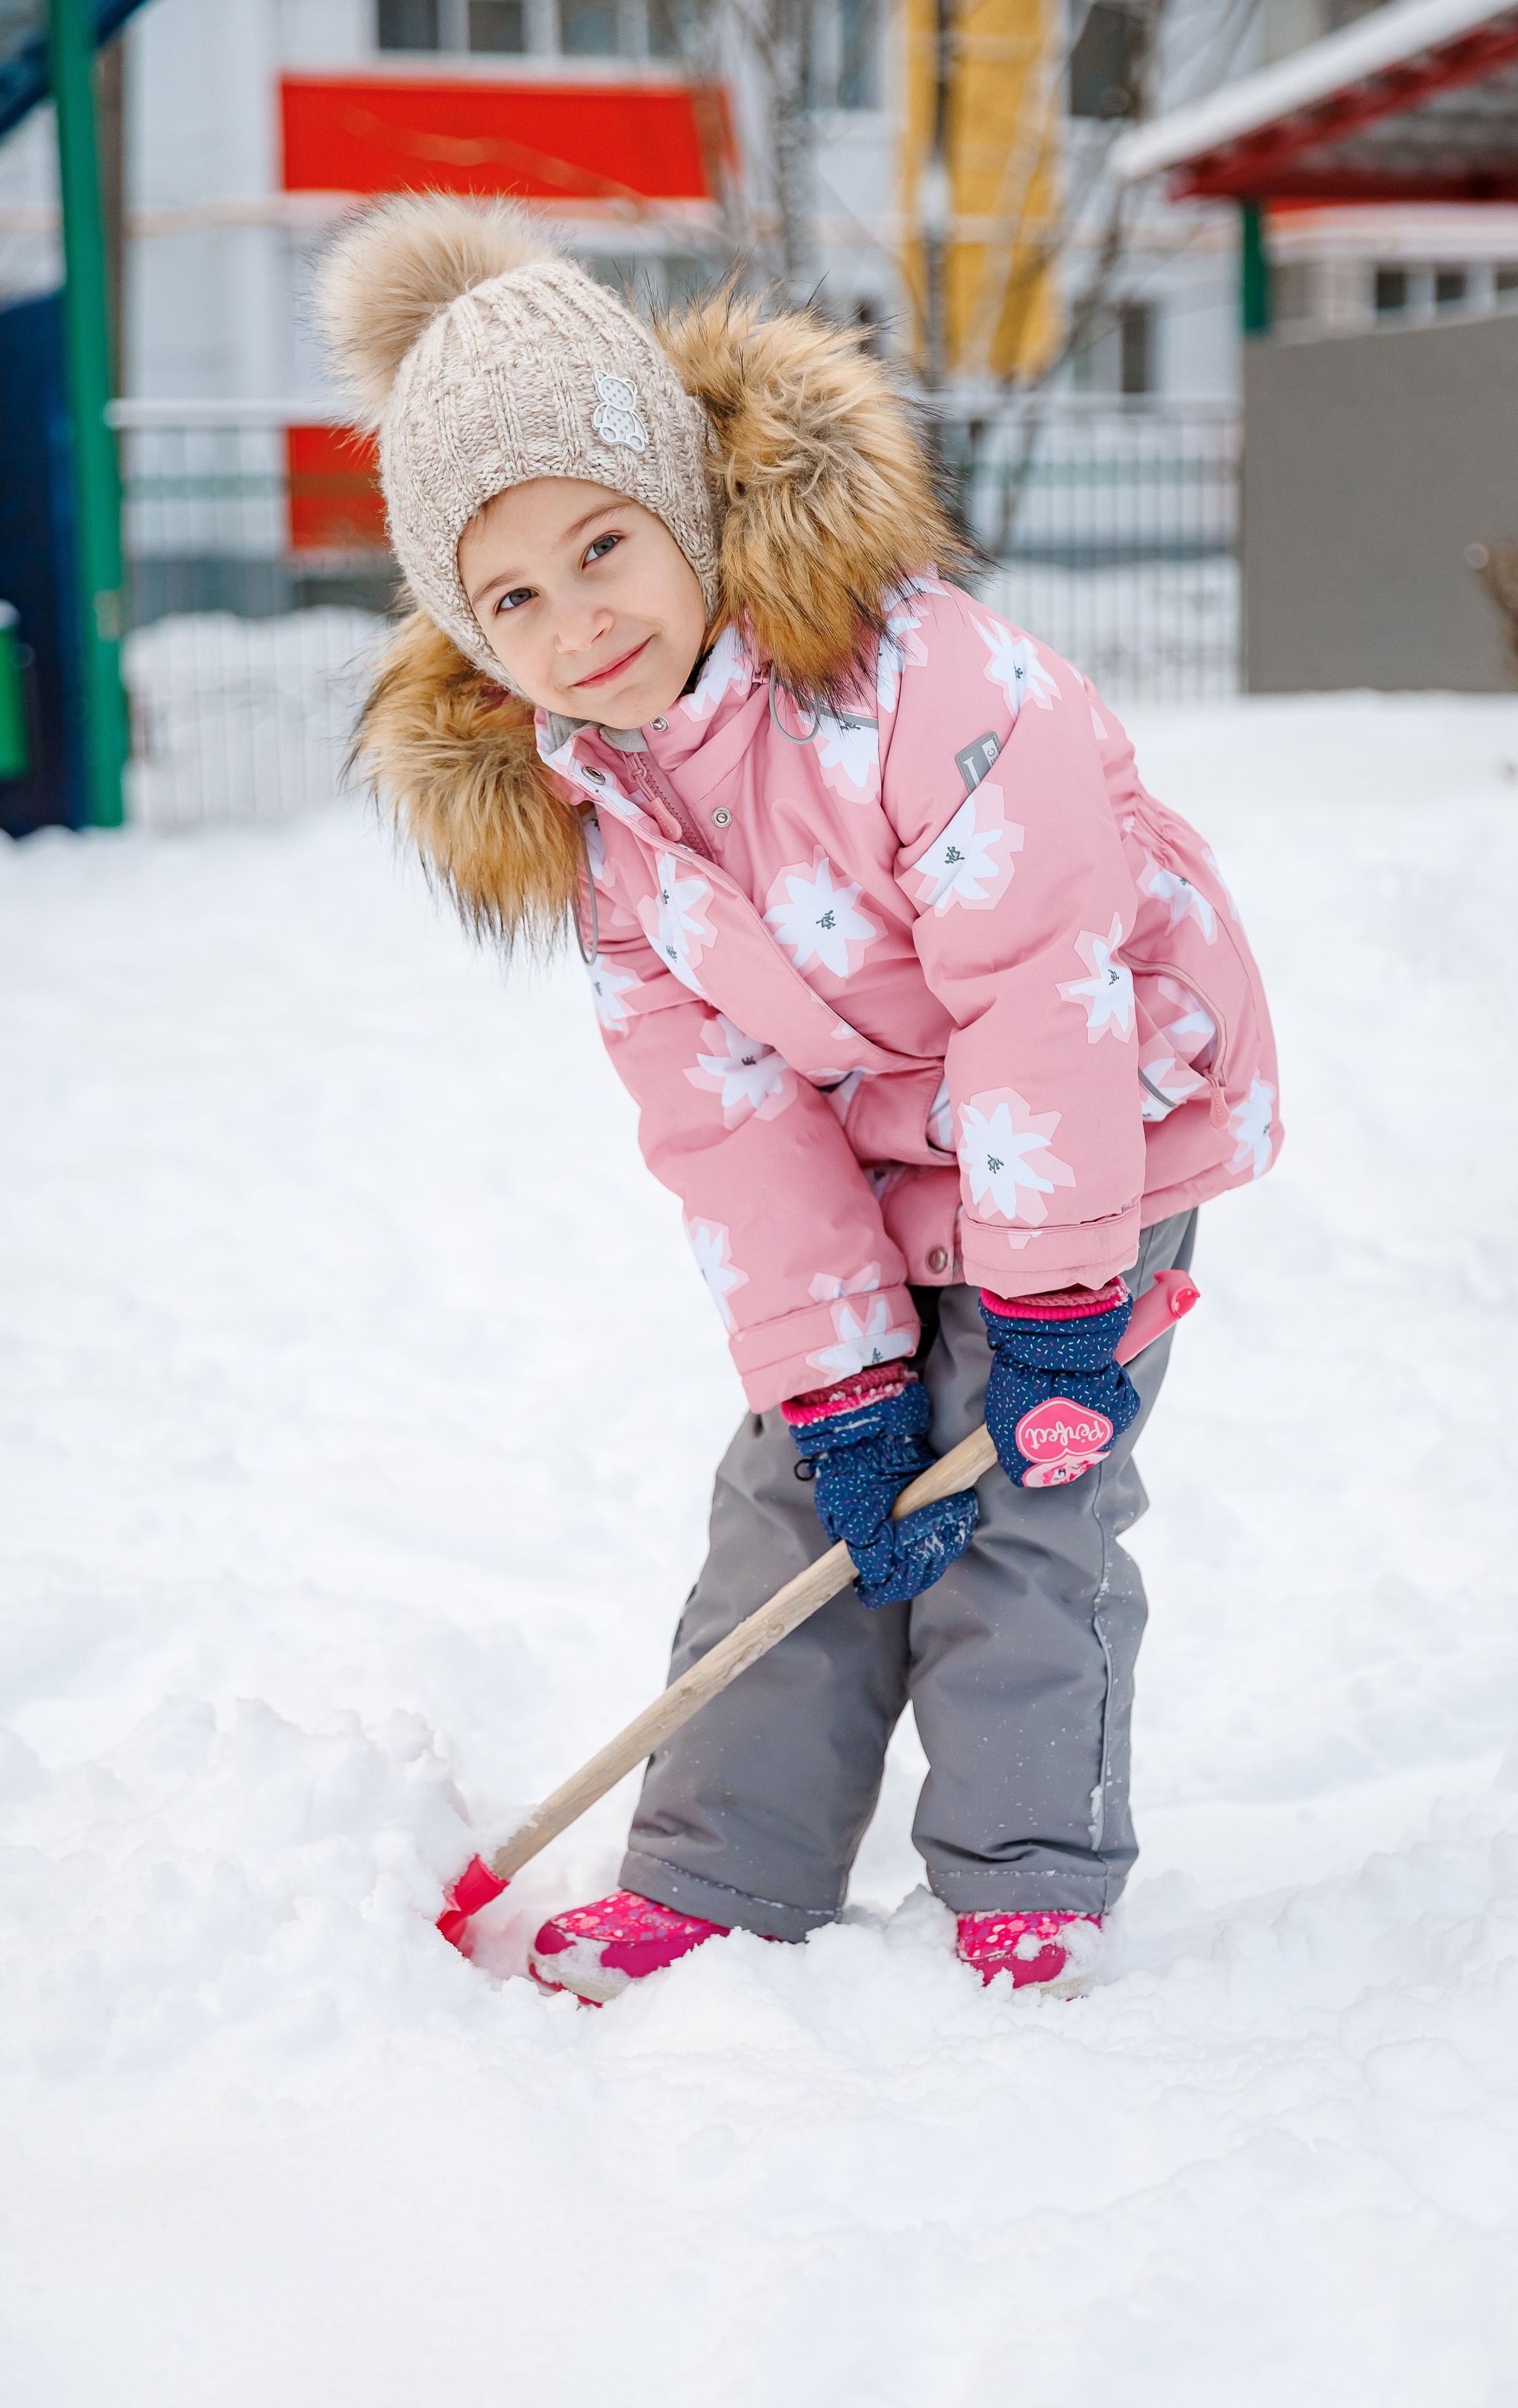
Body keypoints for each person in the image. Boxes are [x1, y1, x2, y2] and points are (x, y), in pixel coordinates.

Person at [317, 196, 1281, 2004]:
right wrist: (839, 1382)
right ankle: (722, 1867)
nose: (575, 621)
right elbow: (725, 1122)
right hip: (875, 1154)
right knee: (805, 1500)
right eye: (510, 598)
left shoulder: (936, 688)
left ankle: (1026, 1869)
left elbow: (1039, 1000)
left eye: (601, 546)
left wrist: (1060, 1302)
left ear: (683, 503)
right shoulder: (602, 818)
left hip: (1099, 1116)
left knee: (1022, 1491)